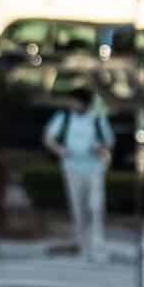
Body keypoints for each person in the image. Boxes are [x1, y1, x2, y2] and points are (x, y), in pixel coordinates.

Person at [44, 85, 115, 259]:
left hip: (94, 169)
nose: (72, 105)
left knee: (96, 206)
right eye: (71, 101)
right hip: (72, 168)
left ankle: (98, 244)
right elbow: (48, 138)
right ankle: (83, 245)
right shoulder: (64, 117)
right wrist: (60, 150)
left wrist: (99, 148)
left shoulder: (97, 119)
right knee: (78, 208)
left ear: (85, 103)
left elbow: (109, 141)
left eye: (75, 102)